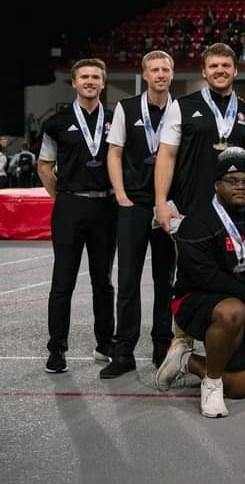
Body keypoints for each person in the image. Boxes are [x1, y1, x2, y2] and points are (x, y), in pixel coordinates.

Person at [155, 148, 245, 418]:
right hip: (195, 302)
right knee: (232, 309)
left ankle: (185, 360)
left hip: (244, 307)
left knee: (241, 385)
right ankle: (211, 384)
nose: (240, 187)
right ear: (216, 185)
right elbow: (207, 278)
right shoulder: (197, 223)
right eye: (232, 181)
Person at [38, 58, 117, 374]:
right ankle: (56, 350)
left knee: (103, 282)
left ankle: (105, 345)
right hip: (70, 206)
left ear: (103, 82)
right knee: (63, 282)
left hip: (106, 207)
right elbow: (44, 166)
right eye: (84, 76)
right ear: (74, 82)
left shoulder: (115, 119)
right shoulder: (55, 123)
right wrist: (63, 198)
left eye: (96, 77)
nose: (90, 81)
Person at [102, 51, 176, 376]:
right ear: (144, 74)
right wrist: (120, 194)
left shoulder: (179, 109)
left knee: (165, 279)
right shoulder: (127, 107)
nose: (160, 74)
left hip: (166, 206)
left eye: (165, 69)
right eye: (154, 69)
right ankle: (123, 352)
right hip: (133, 204)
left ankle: (162, 346)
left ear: (172, 73)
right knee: (128, 279)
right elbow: (114, 152)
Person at [155, 43, 245, 234]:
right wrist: (161, 203)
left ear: (235, 71)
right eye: (213, 66)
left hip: (235, 209)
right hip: (190, 207)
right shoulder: (182, 106)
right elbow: (166, 155)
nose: (220, 70)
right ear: (204, 72)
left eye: (226, 65)